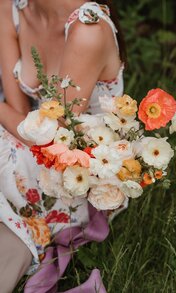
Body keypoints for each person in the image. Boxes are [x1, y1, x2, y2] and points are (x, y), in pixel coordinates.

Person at [0, 0, 125, 292]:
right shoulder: (11, 6)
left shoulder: (88, 30)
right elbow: (19, 112)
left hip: (71, 175)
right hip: (23, 141)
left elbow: (51, 141)